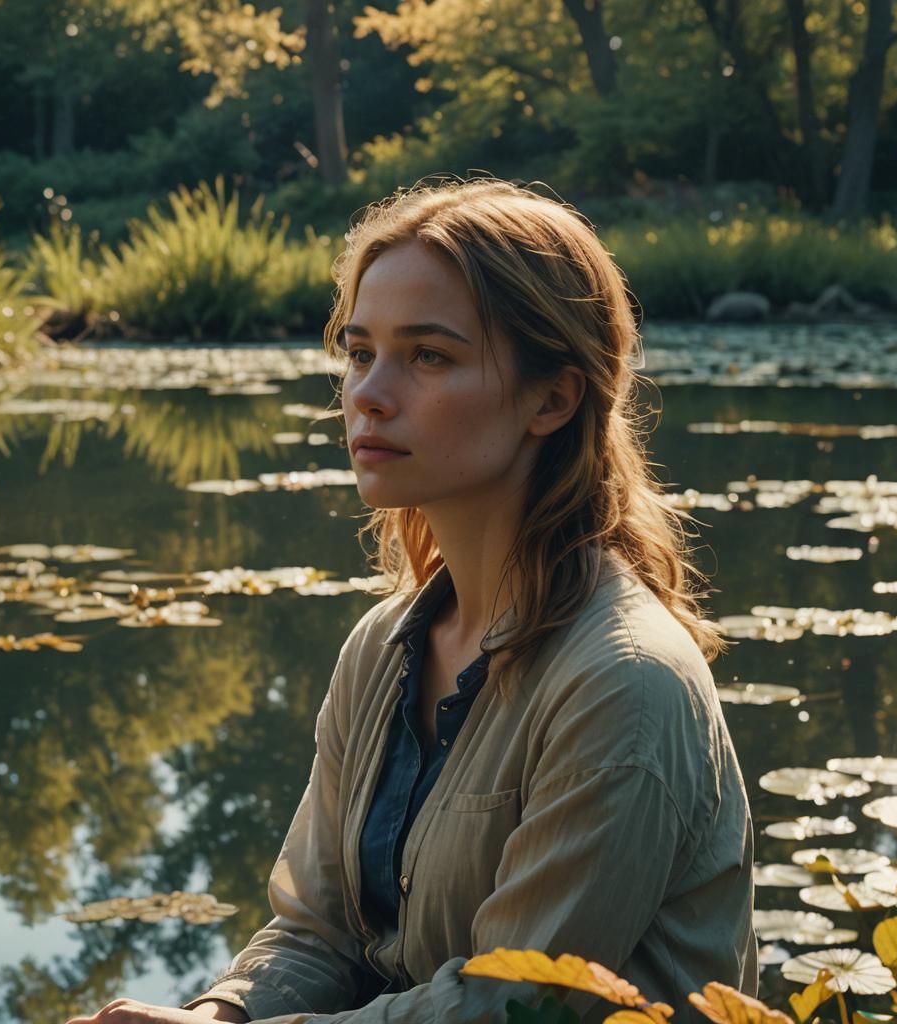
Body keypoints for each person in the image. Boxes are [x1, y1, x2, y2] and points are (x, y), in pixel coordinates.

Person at [66, 177, 756, 1024]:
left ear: (553, 397)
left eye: (428, 356)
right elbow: (317, 930)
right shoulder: (383, 645)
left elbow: (507, 1008)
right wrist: (222, 1015)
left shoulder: (623, 683)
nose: (367, 393)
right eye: (360, 352)